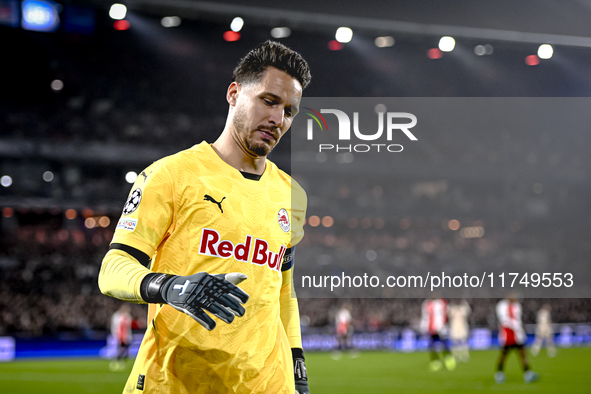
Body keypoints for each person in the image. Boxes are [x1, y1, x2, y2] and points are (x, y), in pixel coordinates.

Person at [98, 40, 311, 394]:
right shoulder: (171, 175)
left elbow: (283, 292)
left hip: (267, 385)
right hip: (176, 382)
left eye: (289, 111)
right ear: (234, 93)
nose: (278, 118)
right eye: (269, 101)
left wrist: (297, 367)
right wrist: (169, 287)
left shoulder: (292, 194)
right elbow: (113, 268)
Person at [495, 296, 539, 384]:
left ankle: (528, 374)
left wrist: (520, 331)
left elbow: (518, 320)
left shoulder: (516, 306)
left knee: (522, 354)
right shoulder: (502, 306)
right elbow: (504, 321)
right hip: (508, 335)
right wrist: (516, 328)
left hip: (517, 335)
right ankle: (499, 374)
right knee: (504, 355)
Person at [420, 298, 455, 371]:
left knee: (444, 344)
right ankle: (435, 361)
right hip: (431, 328)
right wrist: (423, 326)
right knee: (432, 346)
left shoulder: (442, 302)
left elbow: (447, 315)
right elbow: (425, 316)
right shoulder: (426, 303)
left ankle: (448, 359)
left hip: (441, 328)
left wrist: (445, 325)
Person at [109, 304, 133, 371]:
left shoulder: (128, 316)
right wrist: (115, 335)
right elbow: (114, 326)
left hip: (125, 336)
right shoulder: (116, 316)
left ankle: (120, 361)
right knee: (119, 349)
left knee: (125, 350)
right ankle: (116, 361)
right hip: (118, 336)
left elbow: (128, 327)